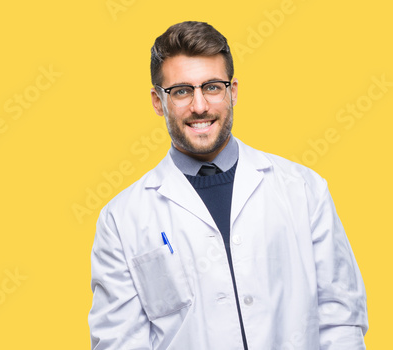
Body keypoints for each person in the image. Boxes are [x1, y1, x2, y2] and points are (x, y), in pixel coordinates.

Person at [88, 21, 368, 350]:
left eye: (212, 87)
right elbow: (119, 342)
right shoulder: (122, 220)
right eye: (181, 91)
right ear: (157, 101)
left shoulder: (304, 189)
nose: (199, 106)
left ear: (232, 91)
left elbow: (340, 319)